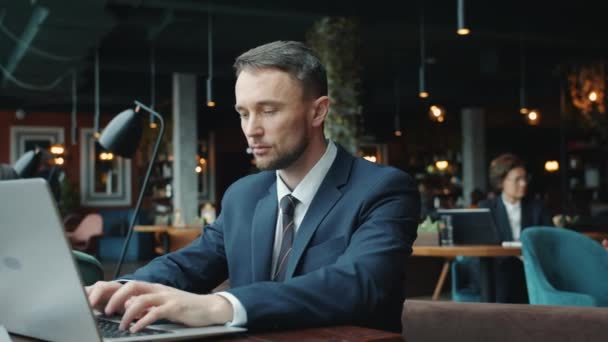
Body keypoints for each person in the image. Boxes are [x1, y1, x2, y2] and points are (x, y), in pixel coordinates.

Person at [86, 41, 420, 333]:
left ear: (318, 111)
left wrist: (220, 306)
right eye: (243, 113)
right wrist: (123, 290)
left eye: (268, 111)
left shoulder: (383, 190)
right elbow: (188, 264)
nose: (251, 129)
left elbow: (359, 284)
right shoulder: (243, 195)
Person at [480, 153, 552, 303]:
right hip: (500, 267)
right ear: (501, 182)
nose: (523, 183)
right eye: (517, 179)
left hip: (530, 264)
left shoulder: (537, 207)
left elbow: (548, 239)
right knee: (497, 268)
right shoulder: (487, 208)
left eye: (525, 178)